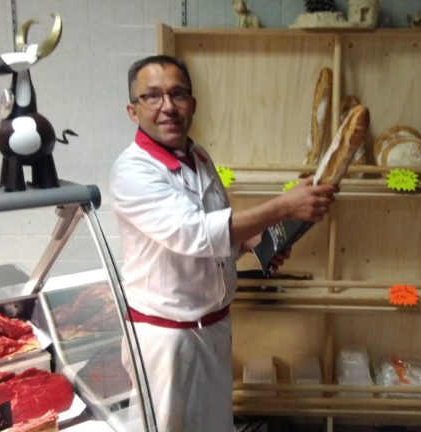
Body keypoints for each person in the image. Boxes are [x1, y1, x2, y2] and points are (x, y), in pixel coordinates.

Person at [109, 55, 337, 432]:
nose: (168, 106)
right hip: (167, 339)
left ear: (193, 104)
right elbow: (194, 233)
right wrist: (282, 207)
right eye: (152, 96)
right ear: (132, 111)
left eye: (177, 94)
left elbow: (217, 229)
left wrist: (254, 242)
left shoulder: (199, 157)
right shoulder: (133, 170)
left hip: (212, 327)